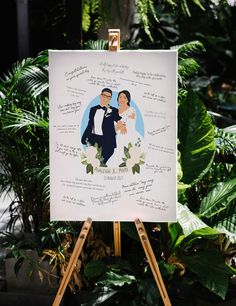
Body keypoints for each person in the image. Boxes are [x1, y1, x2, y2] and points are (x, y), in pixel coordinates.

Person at [81, 88, 126, 165]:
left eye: (108, 97)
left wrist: (121, 125)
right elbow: (90, 124)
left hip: (107, 141)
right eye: (104, 95)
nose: (106, 98)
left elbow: (119, 120)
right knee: (93, 163)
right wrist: (84, 137)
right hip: (93, 140)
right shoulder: (93, 109)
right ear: (100, 96)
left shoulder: (113, 110)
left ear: (110, 99)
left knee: (101, 163)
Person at [111, 90, 142, 166]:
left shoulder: (131, 110)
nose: (122, 99)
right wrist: (120, 126)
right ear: (117, 99)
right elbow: (113, 128)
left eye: (124, 97)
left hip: (130, 137)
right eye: (120, 97)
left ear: (128, 99)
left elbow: (128, 125)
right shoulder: (115, 112)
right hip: (118, 139)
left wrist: (120, 125)